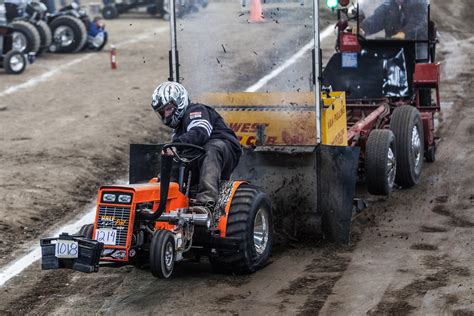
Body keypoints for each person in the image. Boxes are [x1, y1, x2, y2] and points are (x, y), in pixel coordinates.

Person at [151, 81, 242, 211]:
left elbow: (200, 132)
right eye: (162, 112)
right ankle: (164, 200)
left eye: (168, 109)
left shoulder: (196, 110)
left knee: (211, 148)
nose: (166, 115)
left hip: (225, 150)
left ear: (180, 102)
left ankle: (207, 201)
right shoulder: (177, 132)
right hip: (200, 156)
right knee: (173, 162)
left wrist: (177, 146)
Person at [359, 0, 428, 40]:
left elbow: (418, 21)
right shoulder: (387, 6)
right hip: (392, 45)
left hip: (416, 43)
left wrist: (404, 33)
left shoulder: (420, 3)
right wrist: (363, 29)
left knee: (421, 61)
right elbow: (376, 20)